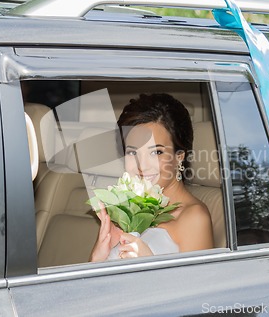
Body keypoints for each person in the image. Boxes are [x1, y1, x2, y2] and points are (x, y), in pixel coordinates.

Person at [90, 93, 214, 262]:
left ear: (179, 156)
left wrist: (148, 262)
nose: (142, 166)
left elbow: (201, 286)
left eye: (156, 152)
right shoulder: (125, 209)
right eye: (133, 152)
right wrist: (99, 255)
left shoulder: (194, 217)